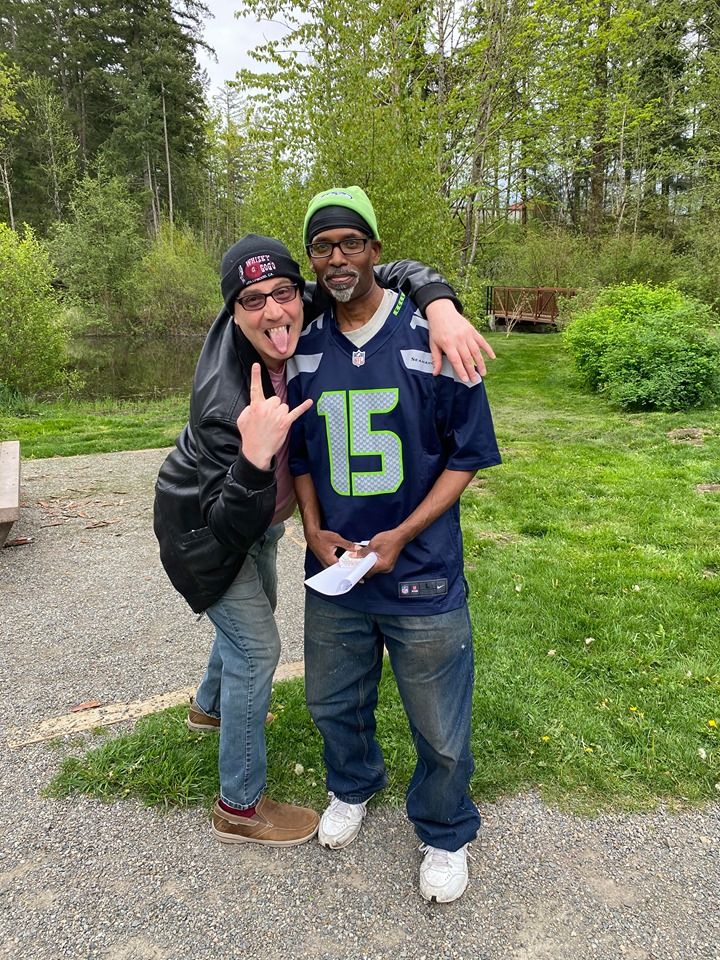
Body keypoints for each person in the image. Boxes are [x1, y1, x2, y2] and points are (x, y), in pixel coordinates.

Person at [153, 232, 495, 847]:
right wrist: (256, 462)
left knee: (255, 615)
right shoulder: (223, 403)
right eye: (253, 301)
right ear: (232, 311)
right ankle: (240, 805)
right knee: (256, 648)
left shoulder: (307, 309)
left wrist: (441, 305)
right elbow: (228, 527)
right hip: (206, 530)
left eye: (283, 292)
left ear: (300, 288)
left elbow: (379, 270)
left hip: (270, 523)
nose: (273, 310)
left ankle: (209, 706)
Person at [287, 186, 501, 898]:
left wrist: (404, 533)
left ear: (376, 250)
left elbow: (468, 454)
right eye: (323, 246)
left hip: (421, 567)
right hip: (337, 569)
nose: (337, 258)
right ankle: (353, 785)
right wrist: (310, 526)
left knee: (439, 724)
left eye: (351, 242)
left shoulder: (433, 334)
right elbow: (301, 454)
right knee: (331, 702)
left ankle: (445, 830)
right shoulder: (303, 344)